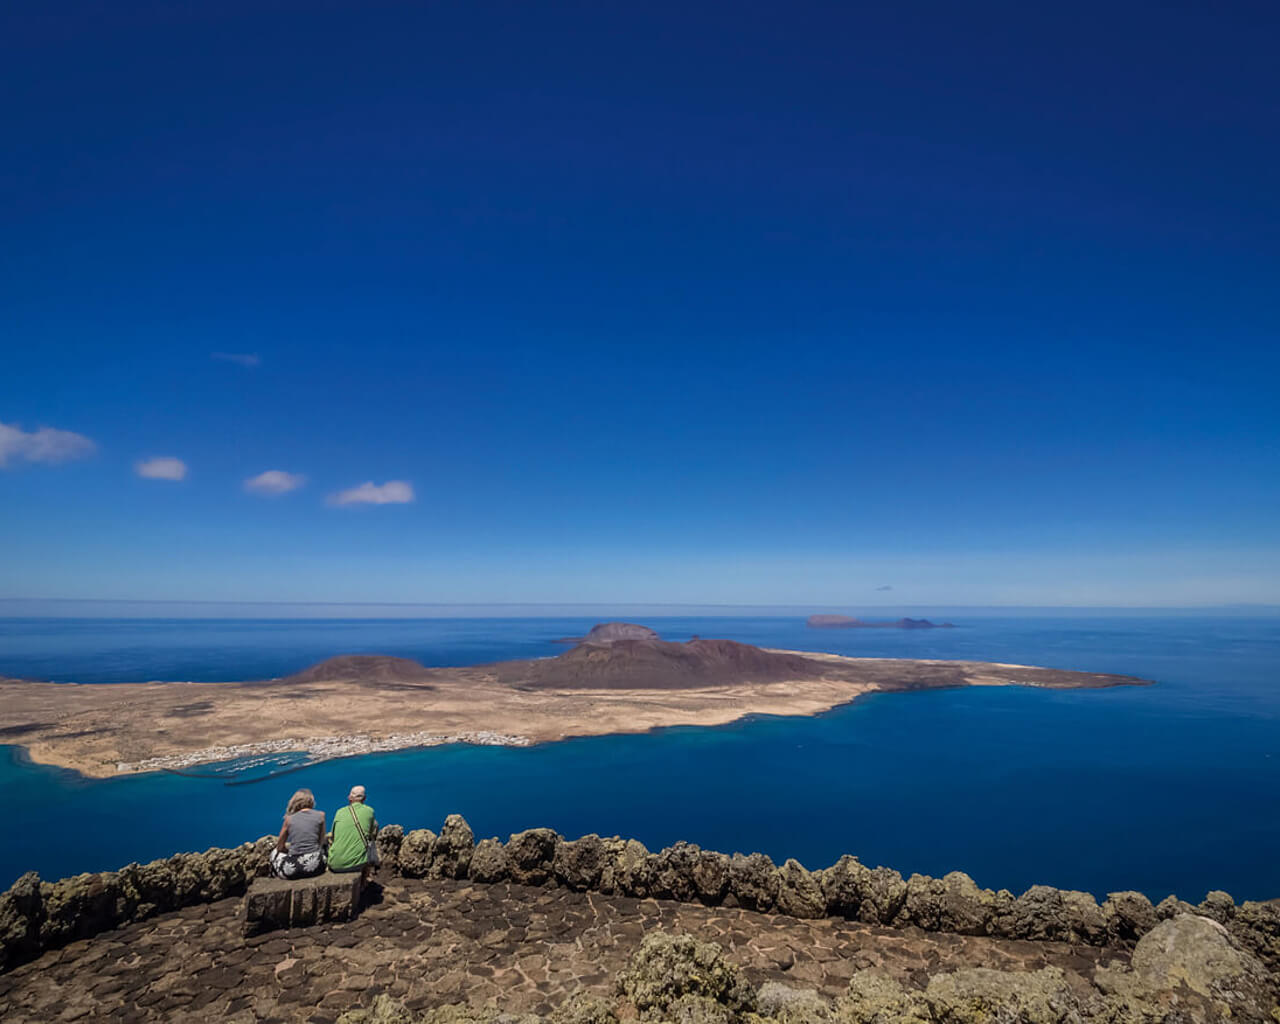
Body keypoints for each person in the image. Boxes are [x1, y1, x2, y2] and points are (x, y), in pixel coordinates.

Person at [269, 788, 327, 879]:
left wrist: (290, 852)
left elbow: (280, 847)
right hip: (316, 866)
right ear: (311, 801)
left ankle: (274, 875)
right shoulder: (321, 815)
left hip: (293, 870)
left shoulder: (288, 819)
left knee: (274, 852)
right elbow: (321, 841)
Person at [329, 784, 379, 880]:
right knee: (370, 840)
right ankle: (364, 884)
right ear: (364, 798)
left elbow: (333, 836)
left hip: (334, 863)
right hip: (357, 864)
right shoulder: (369, 811)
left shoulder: (339, 812)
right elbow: (373, 833)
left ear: (349, 798)